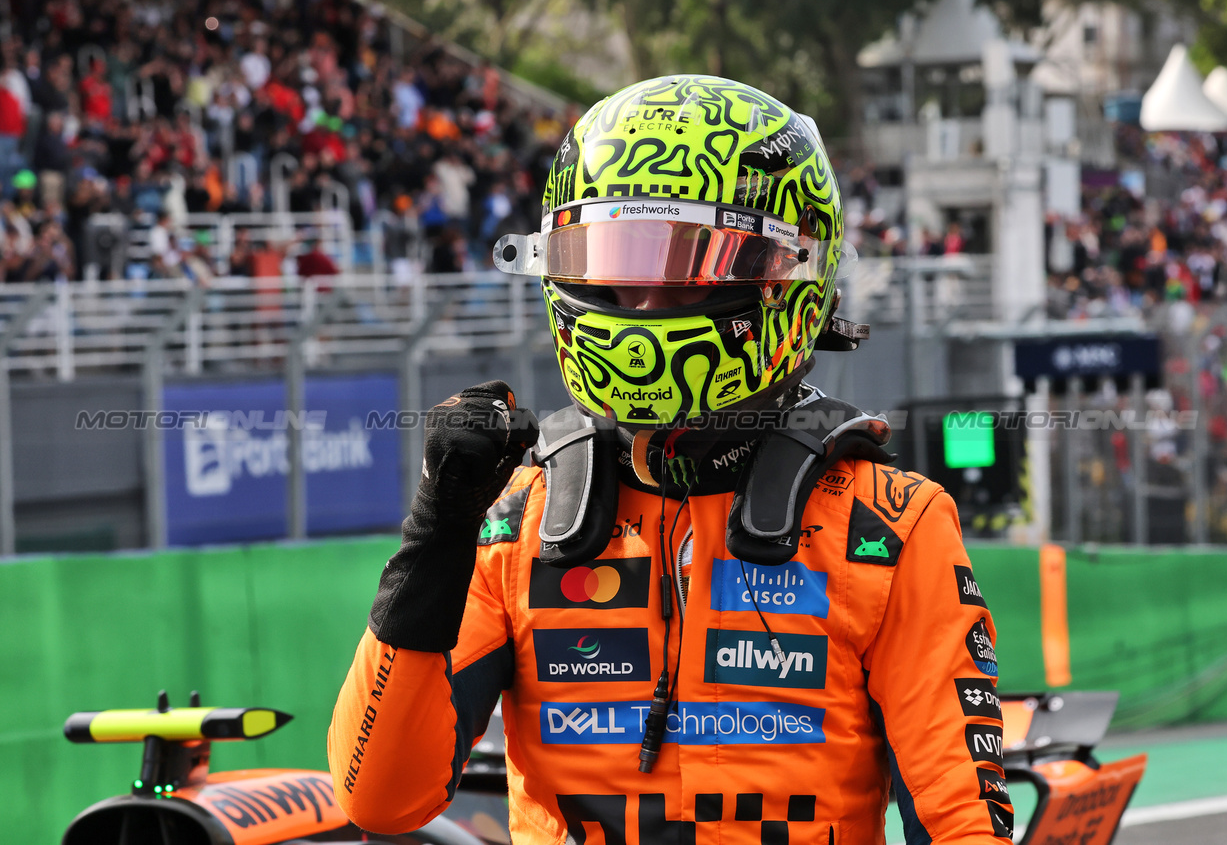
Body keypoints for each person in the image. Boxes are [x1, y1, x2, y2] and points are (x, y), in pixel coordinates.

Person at [329, 75, 1013, 844]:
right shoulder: (517, 519)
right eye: (613, 268)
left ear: (787, 273)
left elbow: (962, 825)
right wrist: (436, 532)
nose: (644, 305)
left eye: (687, 265)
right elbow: (380, 802)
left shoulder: (887, 526)